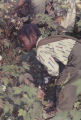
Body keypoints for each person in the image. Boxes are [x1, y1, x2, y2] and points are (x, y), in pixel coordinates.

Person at [18, 24, 81, 111]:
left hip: (76, 57)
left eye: (22, 41)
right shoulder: (47, 40)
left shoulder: (40, 50)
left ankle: (63, 114)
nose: (22, 45)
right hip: (77, 50)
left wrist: (48, 81)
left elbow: (54, 70)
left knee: (63, 86)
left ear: (32, 37)